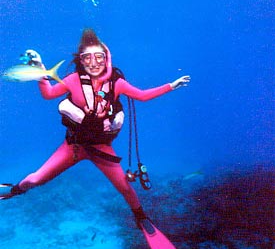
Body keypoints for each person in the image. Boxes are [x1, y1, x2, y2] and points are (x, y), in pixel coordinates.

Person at [1, 29, 190, 228]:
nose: (93, 62)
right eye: (87, 57)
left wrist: (171, 85)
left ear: (106, 58)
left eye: (98, 56)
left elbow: (141, 96)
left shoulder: (116, 83)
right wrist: (41, 69)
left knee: (125, 189)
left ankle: (141, 217)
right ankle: (14, 190)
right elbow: (48, 94)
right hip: (73, 147)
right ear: (81, 61)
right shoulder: (73, 79)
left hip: (101, 149)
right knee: (35, 179)